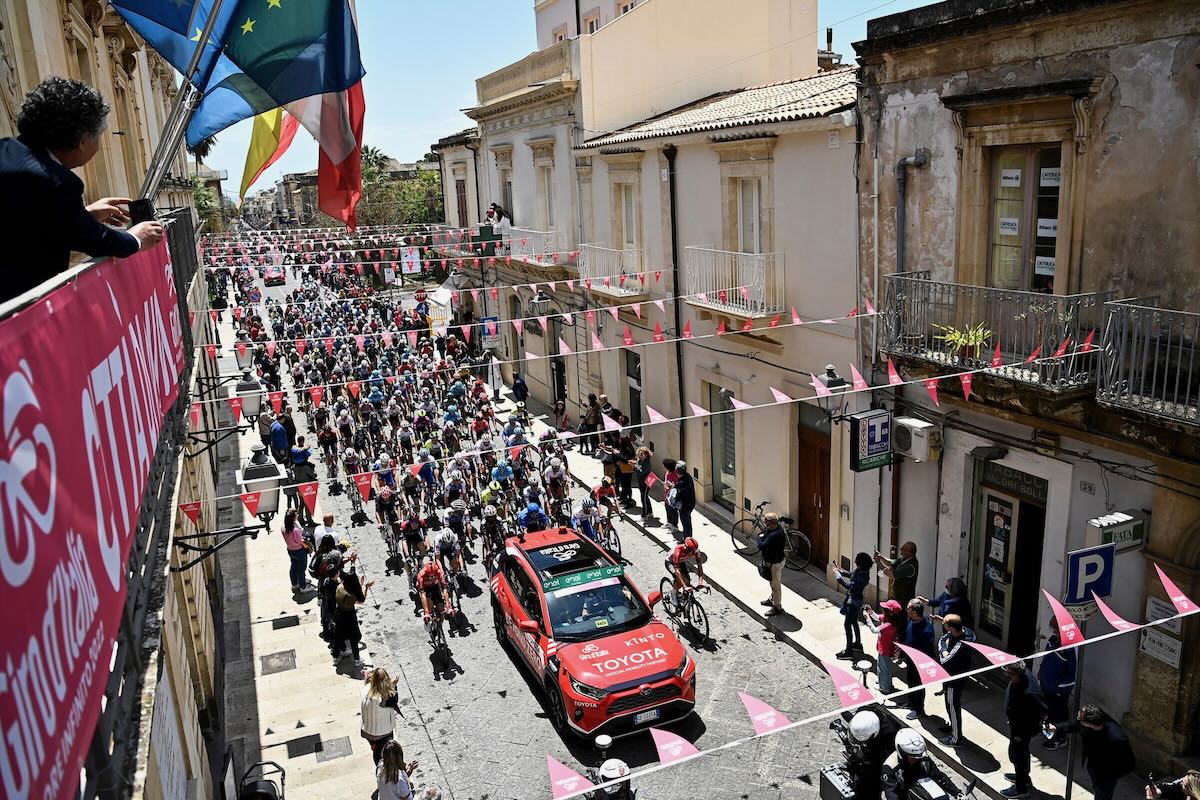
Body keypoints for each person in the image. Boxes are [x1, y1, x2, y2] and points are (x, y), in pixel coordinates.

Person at [0, 77, 164, 302]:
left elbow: (27, 222)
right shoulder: (58, 183)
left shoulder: (7, 151)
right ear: (82, 141)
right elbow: (98, 241)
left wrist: (83, 215)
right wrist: (137, 238)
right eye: (98, 135)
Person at [1047, 705, 1135, 800]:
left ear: (1089, 724)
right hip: (1094, 765)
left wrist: (1110, 776)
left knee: (1103, 795)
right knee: (1097, 789)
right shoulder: (1094, 717)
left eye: (1080, 719)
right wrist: (1057, 727)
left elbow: (1128, 764)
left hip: (1106, 774)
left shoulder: (1117, 738)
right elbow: (1075, 724)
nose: (1078, 720)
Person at [1000, 659, 1047, 798]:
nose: (1005, 673)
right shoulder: (1023, 675)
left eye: (1007, 672)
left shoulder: (1029, 692)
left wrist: (1027, 726)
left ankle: (1021, 789)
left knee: (1017, 755)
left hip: (1022, 729)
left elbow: (1042, 709)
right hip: (1016, 725)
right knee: (1020, 754)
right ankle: (1023, 778)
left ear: (1014, 674)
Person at [884, 729, 958, 800]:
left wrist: (957, 793)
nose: (916, 759)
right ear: (902, 753)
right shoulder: (890, 767)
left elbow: (938, 776)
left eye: (918, 756)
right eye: (912, 757)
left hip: (921, 786)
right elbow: (891, 793)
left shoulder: (922, 757)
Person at [1037, 618, 1076, 750]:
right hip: (1046, 686)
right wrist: (1041, 671)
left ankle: (1060, 738)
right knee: (1049, 713)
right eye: (1053, 629)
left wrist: (1058, 686)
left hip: (1058, 691)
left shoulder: (1070, 650)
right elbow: (1047, 657)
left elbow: (1073, 675)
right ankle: (1049, 733)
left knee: (1059, 715)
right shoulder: (1052, 641)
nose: (1054, 632)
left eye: (1056, 629)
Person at [936, 613, 975, 746]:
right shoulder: (960, 631)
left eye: (945, 625)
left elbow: (944, 660)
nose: (944, 627)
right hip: (950, 677)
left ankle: (956, 738)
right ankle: (953, 727)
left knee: (953, 706)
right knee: (949, 704)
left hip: (954, 679)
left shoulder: (961, 644)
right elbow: (947, 635)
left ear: (951, 628)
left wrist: (942, 646)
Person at [902, 598, 936, 720]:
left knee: (918, 685)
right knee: (910, 681)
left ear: (914, 612)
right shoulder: (911, 620)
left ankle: (919, 709)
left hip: (919, 662)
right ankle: (911, 703)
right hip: (910, 659)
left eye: (908, 609)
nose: (906, 610)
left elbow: (926, 650)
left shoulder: (926, 630)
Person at [333, 565, 373, 667]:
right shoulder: (352, 595)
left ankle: (336, 657)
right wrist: (365, 587)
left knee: (338, 637)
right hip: (349, 616)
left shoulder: (340, 587)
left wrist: (360, 583)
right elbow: (361, 601)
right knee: (353, 639)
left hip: (338, 614)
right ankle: (356, 659)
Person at [361, 668, 403, 765]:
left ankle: (380, 765)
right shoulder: (383, 699)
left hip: (367, 730)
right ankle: (384, 771)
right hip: (382, 733)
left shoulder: (367, 688)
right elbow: (393, 701)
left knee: (377, 751)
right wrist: (393, 686)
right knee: (384, 754)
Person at [836, 553, 873, 659]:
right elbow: (850, 574)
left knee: (847, 624)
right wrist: (840, 571)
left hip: (853, 601)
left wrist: (838, 576)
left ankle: (849, 651)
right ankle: (857, 643)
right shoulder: (861, 571)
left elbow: (849, 586)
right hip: (855, 600)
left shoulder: (862, 577)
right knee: (854, 621)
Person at [864, 600, 903, 694]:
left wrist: (867, 618)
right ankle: (883, 681)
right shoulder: (888, 620)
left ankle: (885, 687)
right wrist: (871, 612)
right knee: (881, 667)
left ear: (890, 613)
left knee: (884, 669)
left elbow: (874, 630)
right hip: (883, 649)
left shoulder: (887, 626)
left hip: (885, 650)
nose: (883, 610)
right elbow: (877, 617)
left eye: (885, 609)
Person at [757, 512, 787, 617]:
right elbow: (762, 535)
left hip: (776, 563)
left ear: (771, 523)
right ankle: (772, 599)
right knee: (772, 582)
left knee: (775, 585)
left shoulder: (776, 534)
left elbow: (761, 545)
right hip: (770, 561)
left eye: (766, 521)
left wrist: (760, 538)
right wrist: (761, 537)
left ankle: (777, 607)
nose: (764, 522)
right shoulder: (770, 529)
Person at [875, 541, 919, 608]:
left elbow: (891, 574)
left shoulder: (910, 567)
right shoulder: (904, 559)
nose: (900, 549)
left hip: (904, 601)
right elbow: (891, 563)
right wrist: (881, 557)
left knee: (900, 617)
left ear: (909, 553)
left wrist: (878, 562)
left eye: (903, 549)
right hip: (897, 598)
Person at [665, 537, 705, 606]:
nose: (692, 553)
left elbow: (699, 566)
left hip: (681, 561)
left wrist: (700, 581)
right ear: (686, 548)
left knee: (688, 581)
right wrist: (684, 586)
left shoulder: (696, 551)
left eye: (693, 552)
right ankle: (672, 593)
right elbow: (677, 571)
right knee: (681, 580)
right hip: (670, 562)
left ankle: (684, 601)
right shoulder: (678, 551)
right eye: (690, 551)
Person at [281, 509, 309, 593]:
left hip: (290, 550)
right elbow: (300, 541)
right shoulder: (295, 530)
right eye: (296, 514)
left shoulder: (283, 528)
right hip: (299, 551)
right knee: (301, 569)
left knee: (294, 566)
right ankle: (303, 587)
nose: (297, 515)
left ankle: (295, 583)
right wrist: (307, 547)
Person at [671, 461, 697, 537]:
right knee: (687, 522)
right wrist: (675, 486)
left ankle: (687, 540)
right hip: (690, 503)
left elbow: (680, 494)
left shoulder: (683, 481)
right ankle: (687, 538)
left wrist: (673, 497)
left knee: (686, 523)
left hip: (685, 505)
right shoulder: (687, 476)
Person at [633, 447, 654, 521]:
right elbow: (636, 469)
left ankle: (644, 515)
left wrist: (636, 466)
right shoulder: (640, 461)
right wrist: (635, 465)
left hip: (646, 482)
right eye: (640, 454)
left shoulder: (647, 462)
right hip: (641, 481)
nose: (641, 456)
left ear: (646, 455)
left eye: (642, 454)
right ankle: (650, 512)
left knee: (643, 498)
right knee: (645, 497)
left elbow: (641, 471)